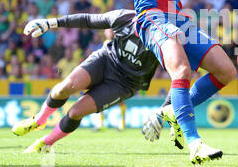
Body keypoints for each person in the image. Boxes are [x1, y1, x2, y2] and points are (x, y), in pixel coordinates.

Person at [104, 0, 236, 165]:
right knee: (182, 71)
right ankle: (195, 144)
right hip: (151, 18)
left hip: (180, 18)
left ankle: (171, 112)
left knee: (226, 70)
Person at [11, 9, 160, 153]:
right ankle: (38, 120)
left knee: (75, 112)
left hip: (125, 83)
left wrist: (166, 110)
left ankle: (45, 143)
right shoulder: (124, 17)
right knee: (63, 88)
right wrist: (50, 23)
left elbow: (180, 73)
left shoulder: (162, 39)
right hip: (106, 60)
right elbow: (88, 20)